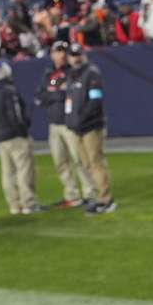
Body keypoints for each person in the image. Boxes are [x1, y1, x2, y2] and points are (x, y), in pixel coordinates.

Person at [36, 41, 94, 208]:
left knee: (80, 159)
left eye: (64, 51)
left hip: (71, 124)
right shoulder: (50, 75)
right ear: (52, 54)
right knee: (61, 162)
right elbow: (41, 96)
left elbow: (72, 94)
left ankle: (90, 193)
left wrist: (56, 93)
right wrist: (57, 93)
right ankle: (72, 195)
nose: (61, 55)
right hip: (54, 125)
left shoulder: (73, 72)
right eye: (58, 51)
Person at [0, 61, 40, 215]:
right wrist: (24, 129)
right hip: (15, 135)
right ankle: (28, 203)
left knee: (8, 172)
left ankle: (14, 205)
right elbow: (17, 115)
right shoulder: (8, 91)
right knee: (24, 170)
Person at [64, 43, 115, 215]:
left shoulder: (91, 72)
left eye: (78, 54)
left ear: (83, 55)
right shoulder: (68, 75)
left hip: (90, 126)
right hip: (76, 127)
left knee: (95, 162)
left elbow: (95, 99)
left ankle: (106, 200)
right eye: (72, 55)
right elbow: (54, 89)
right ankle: (98, 196)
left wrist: (80, 118)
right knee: (86, 164)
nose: (76, 58)